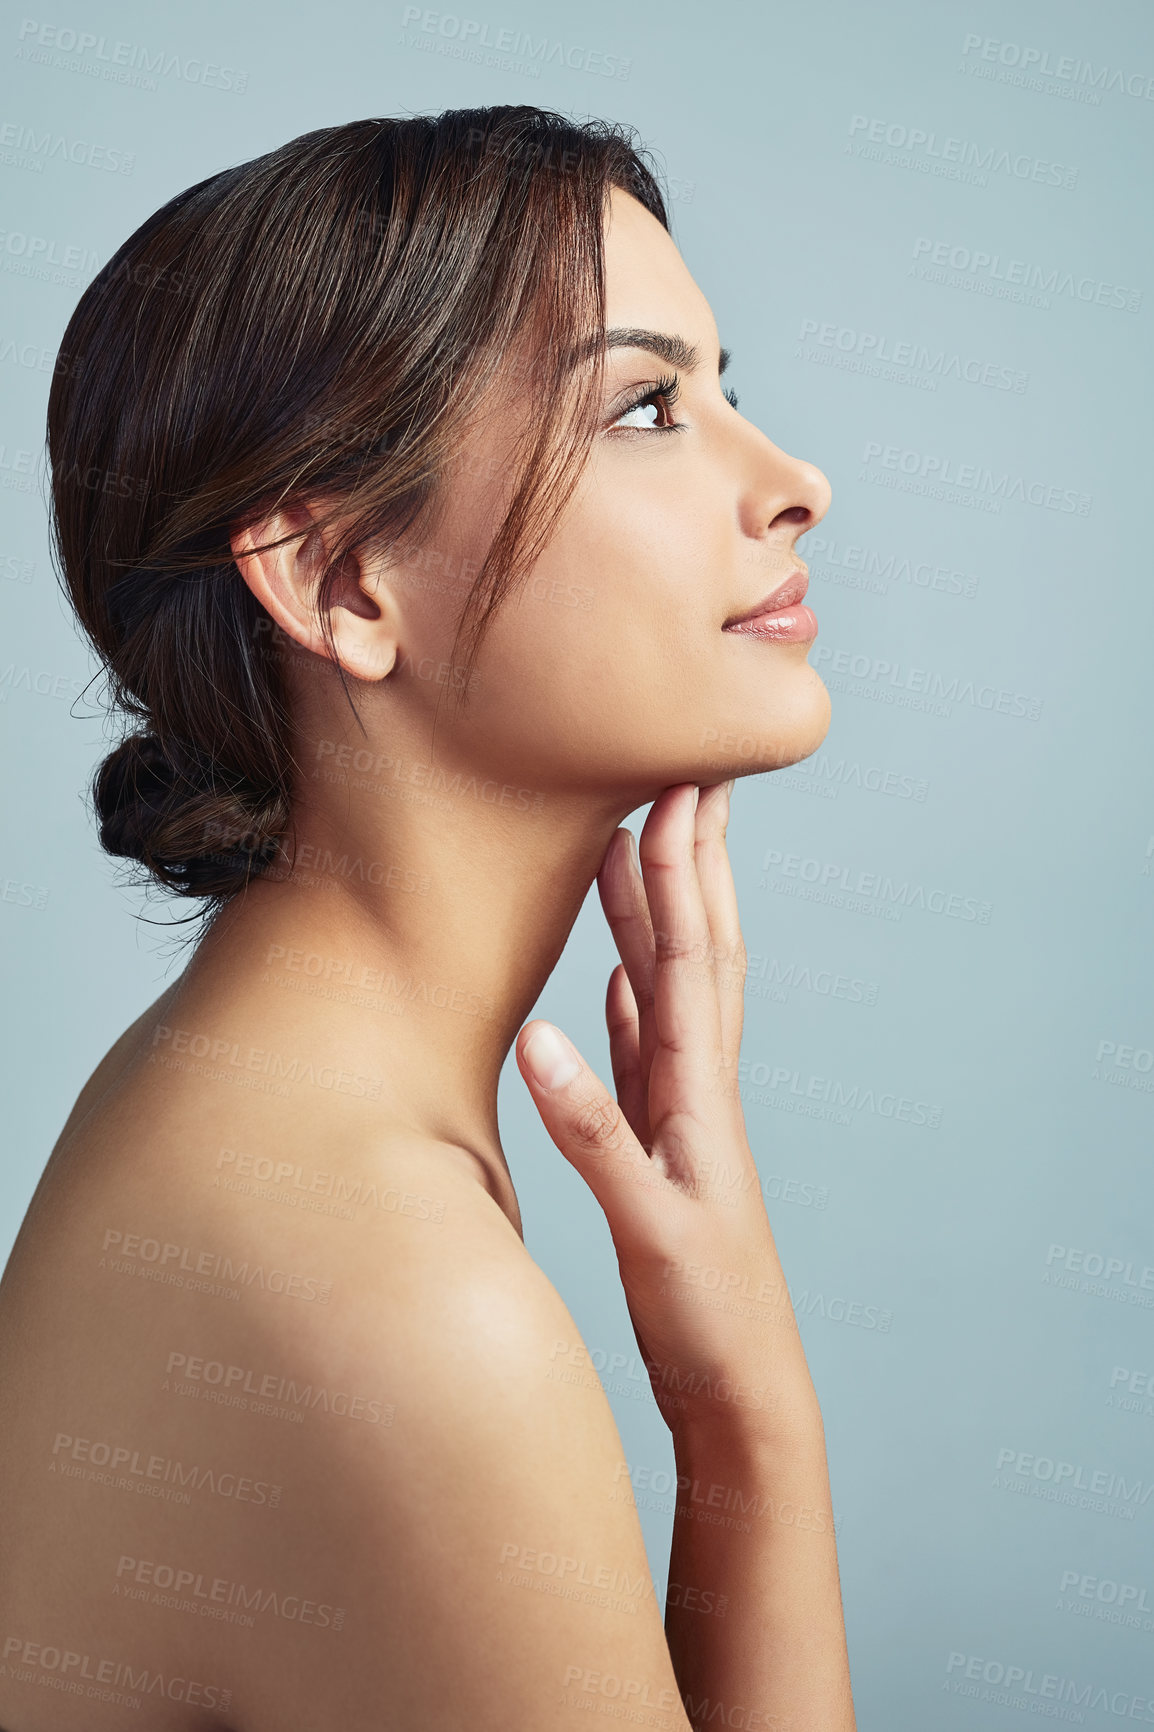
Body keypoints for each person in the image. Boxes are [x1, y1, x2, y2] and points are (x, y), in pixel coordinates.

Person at [0, 106, 854, 1730]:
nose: (794, 481)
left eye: (730, 388)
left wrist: (733, 1395)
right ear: (339, 581)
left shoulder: (257, 1098)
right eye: (651, 406)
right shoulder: (385, 1289)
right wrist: (753, 1418)